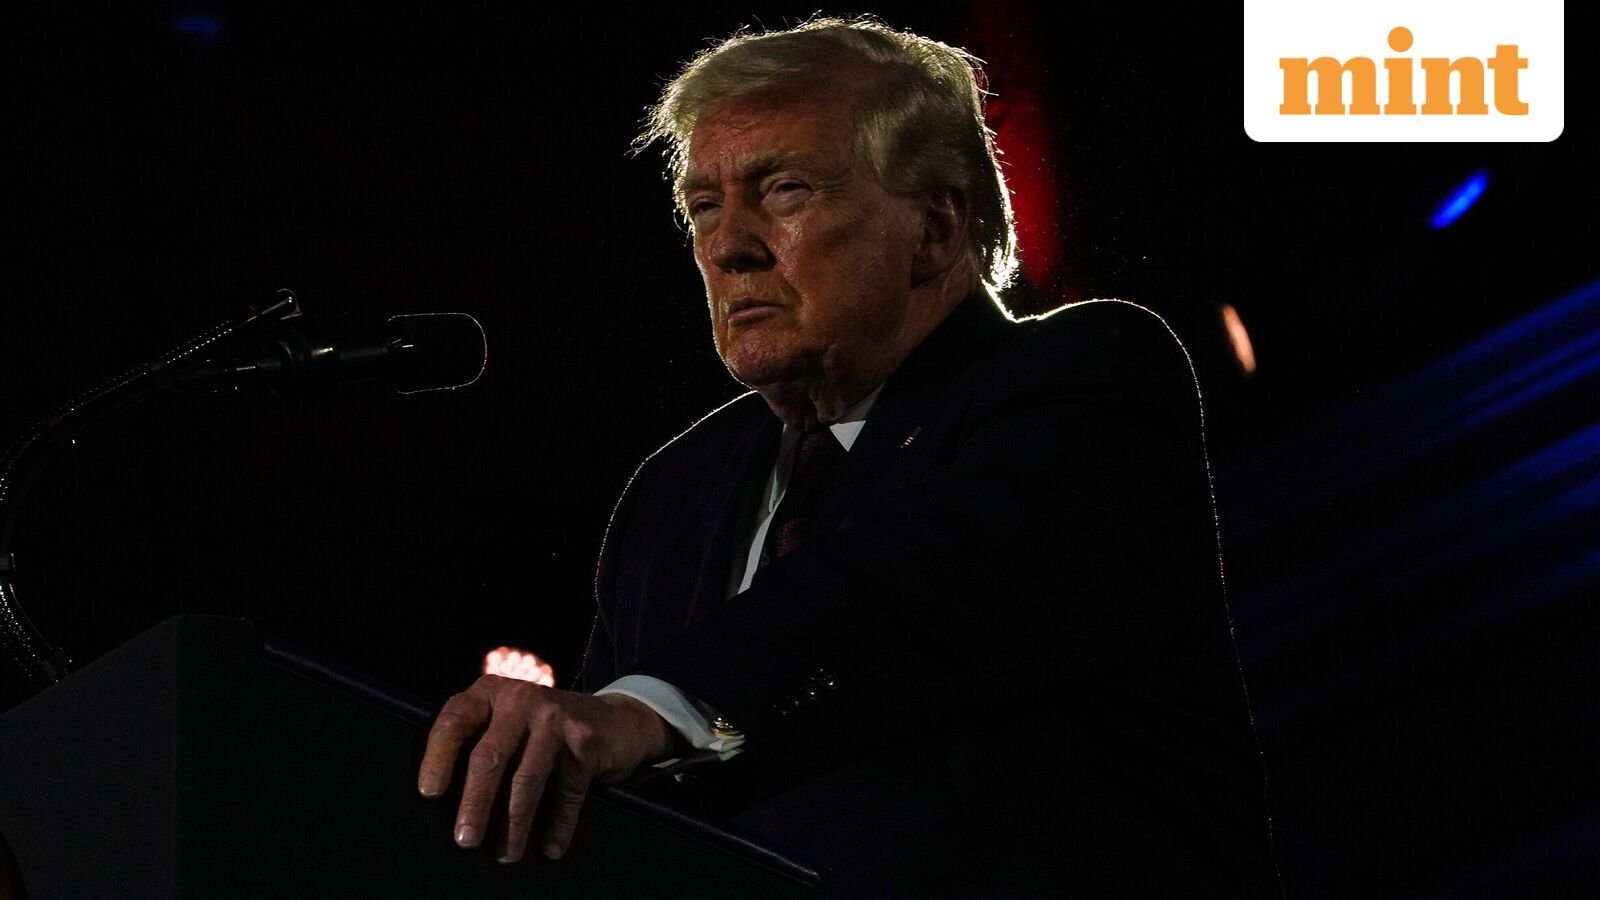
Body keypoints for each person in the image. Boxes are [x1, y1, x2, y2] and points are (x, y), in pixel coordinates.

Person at [418, 18, 1278, 895]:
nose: (727, 245)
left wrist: (654, 708)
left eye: (784, 190)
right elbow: (605, 812)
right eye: (703, 206)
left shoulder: (1084, 378)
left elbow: (908, 590)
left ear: (936, 227)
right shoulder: (672, 495)